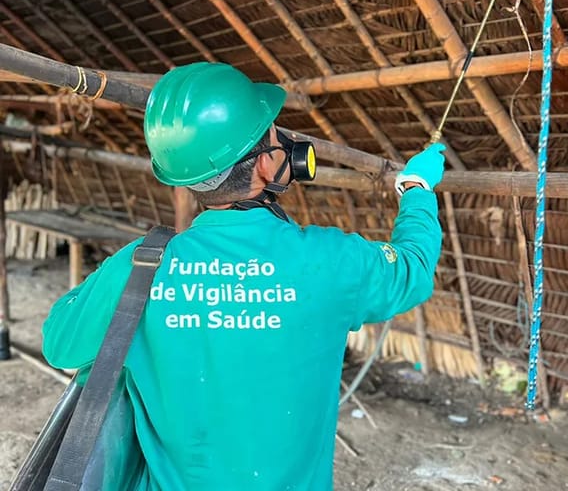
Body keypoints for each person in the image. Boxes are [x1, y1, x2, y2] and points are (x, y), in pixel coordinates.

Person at [41, 62, 446, 490]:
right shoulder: (332, 261)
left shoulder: (140, 267)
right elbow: (413, 266)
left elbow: (60, 344)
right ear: (266, 166)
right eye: (273, 133)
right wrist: (416, 189)